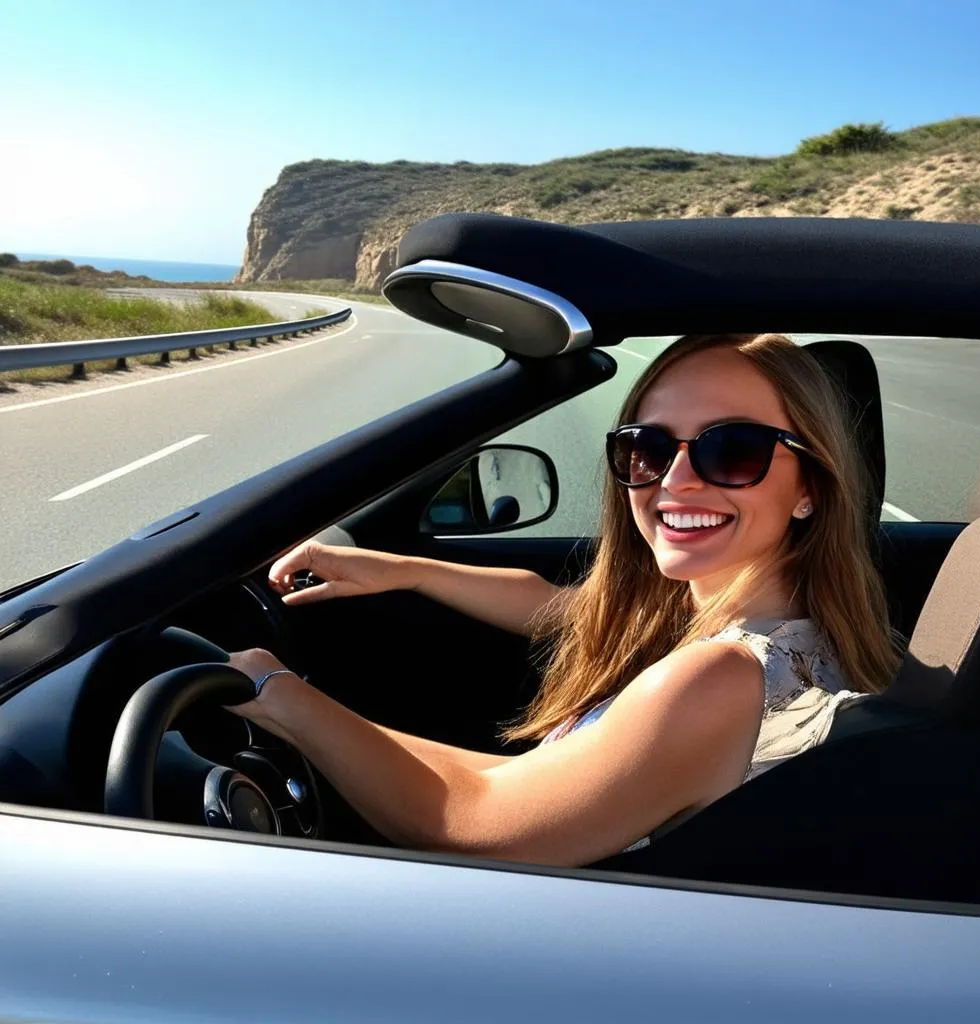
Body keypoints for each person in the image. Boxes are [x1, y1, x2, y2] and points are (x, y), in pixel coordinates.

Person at [227, 333, 899, 866]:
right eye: (649, 448)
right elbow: (561, 609)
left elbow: (472, 824)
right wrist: (403, 571)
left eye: (734, 449)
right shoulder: (780, 633)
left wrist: (282, 696)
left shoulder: (717, 678)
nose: (677, 480)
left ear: (811, 486)